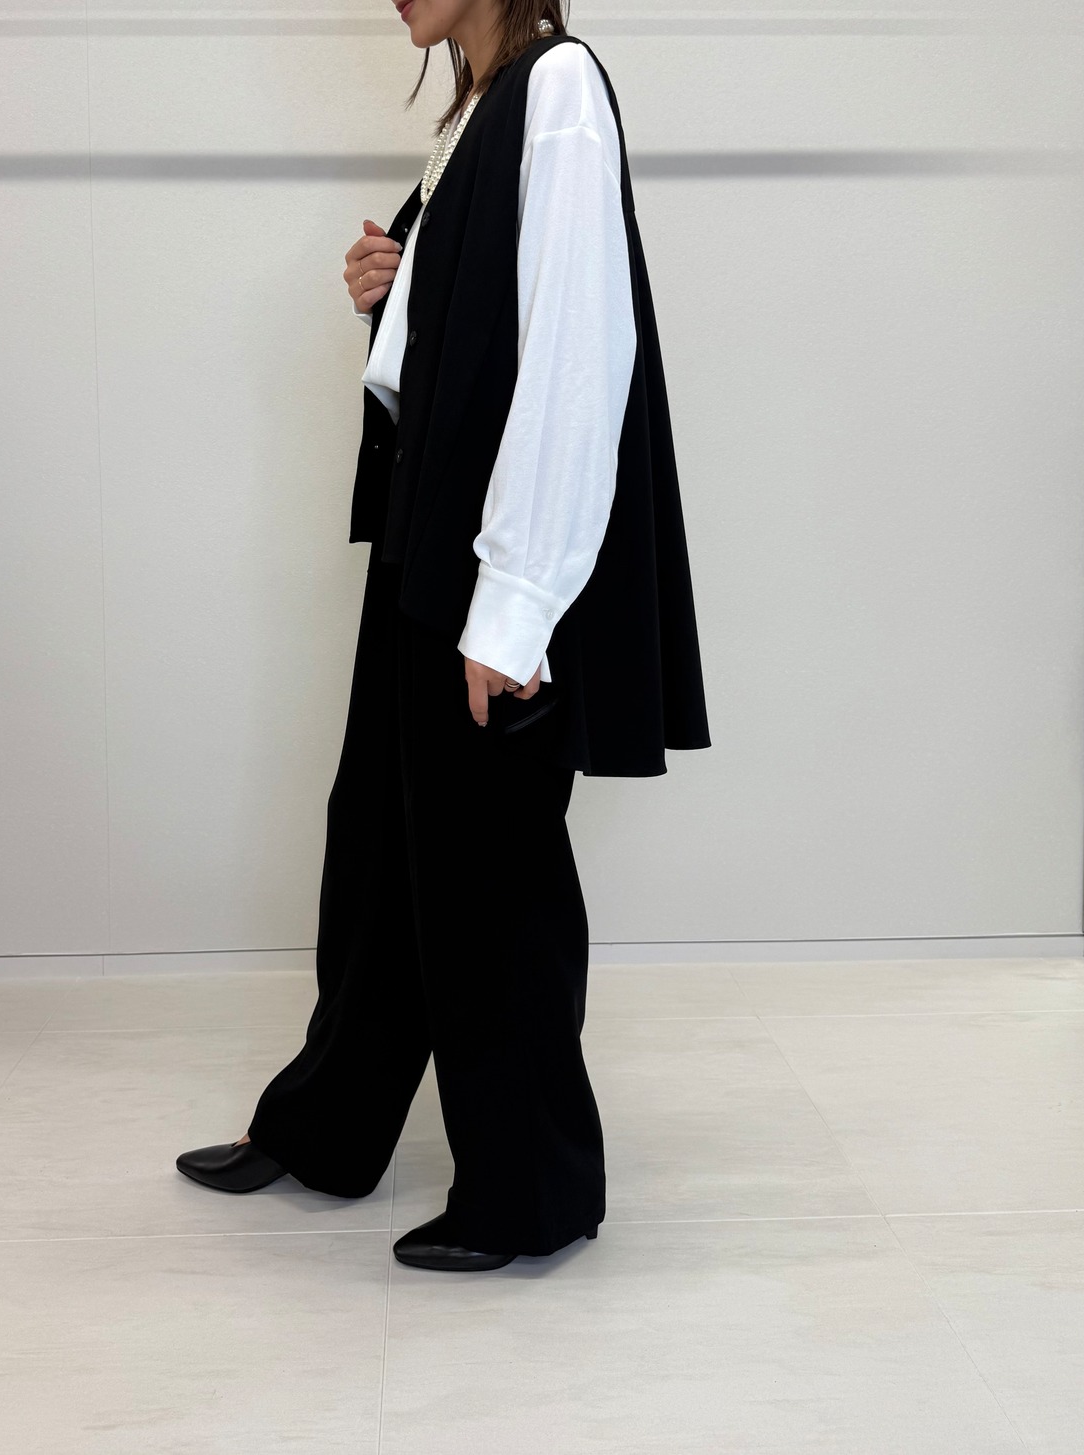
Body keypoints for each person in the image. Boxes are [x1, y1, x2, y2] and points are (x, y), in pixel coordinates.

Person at [175, 0, 711, 1272]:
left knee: (489, 874)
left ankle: (531, 1191)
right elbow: (470, 347)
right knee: (382, 847)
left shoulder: (558, 88)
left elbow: (576, 357)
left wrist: (518, 601)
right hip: (428, 541)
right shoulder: (474, 112)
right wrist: (395, 296)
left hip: (485, 563)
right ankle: (329, 1125)